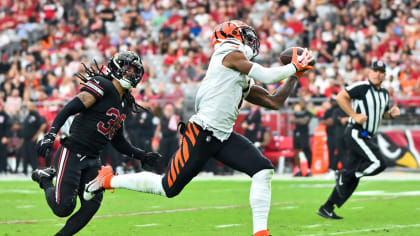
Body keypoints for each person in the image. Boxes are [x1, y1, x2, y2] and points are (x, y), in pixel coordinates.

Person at [85, 20, 314, 236]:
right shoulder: (228, 53)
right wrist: (294, 65)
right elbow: (266, 75)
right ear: (231, 36)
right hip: (202, 132)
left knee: (263, 170)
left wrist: (295, 76)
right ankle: (108, 180)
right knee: (167, 188)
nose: (251, 42)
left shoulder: (238, 70)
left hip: (223, 136)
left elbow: (274, 101)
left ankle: (261, 232)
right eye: (246, 36)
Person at [31, 51, 161, 236]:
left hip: (93, 159)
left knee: (92, 204)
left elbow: (118, 141)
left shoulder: (125, 101)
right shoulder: (103, 85)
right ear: (116, 68)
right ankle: (45, 179)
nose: (132, 73)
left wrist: (142, 154)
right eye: (127, 69)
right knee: (64, 208)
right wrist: (52, 134)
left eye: (135, 70)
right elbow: (69, 108)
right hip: (73, 152)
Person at [317, 60, 400, 219]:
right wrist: (354, 115)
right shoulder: (362, 87)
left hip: (366, 135)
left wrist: (391, 115)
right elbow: (341, 96)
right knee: (378, 163)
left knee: (354, 178)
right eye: (375, 70)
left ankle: (327, 207)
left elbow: (382, 114)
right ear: (369, 72)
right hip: (356, 132)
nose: (377, 74)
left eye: (381, 71)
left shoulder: (384, 93)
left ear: (385, 75)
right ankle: (344, 175)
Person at [21, 102, 47, 175]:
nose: (28, 107)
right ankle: (24, 171)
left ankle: (35, 170)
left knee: (33, 155)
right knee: (25, 154)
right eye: (28, 106)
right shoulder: (28, 115)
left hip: (32, 139)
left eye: (29, 106)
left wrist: (36, 136)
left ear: (33, 107)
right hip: (26, 139)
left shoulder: (36, 115)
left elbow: (43, 125)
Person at [290, 98, 313, 177]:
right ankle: (299, 170)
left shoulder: (308, 113)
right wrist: (300, 120)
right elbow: (291, 120)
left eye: (303, 102)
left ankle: (309, 170)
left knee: (307, 151)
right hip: (296, 133)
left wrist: (297, 120)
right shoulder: (297, 113)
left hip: (304, 134)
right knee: (296, 152)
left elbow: (304, 122)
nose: (302, 104)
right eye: (301, 102)